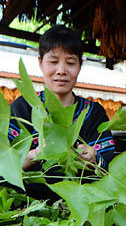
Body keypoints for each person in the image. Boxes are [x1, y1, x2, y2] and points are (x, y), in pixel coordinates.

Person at [8, 25, 115, 171]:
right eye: (53, 62)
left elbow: (110, 169)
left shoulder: (93, 113)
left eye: (70, 63)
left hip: (84, 193)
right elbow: (1, 166)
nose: (61, 71)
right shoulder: (23, 108)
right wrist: (32, 156)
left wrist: (94, 160)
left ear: (80, 65)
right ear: (40, 62)